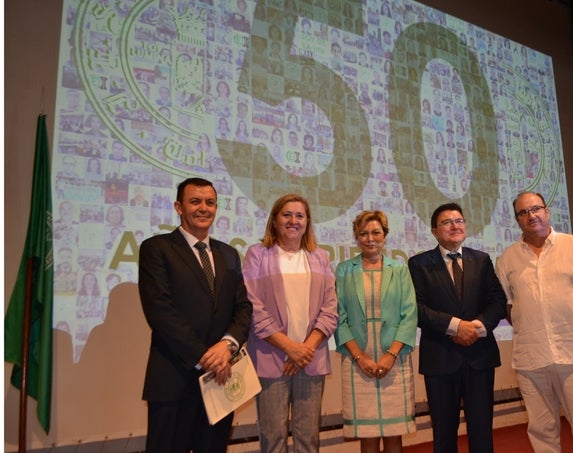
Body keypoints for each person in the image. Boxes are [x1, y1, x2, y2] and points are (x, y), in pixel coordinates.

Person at [138, 177, 252, 453]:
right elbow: (161, 312)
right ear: (179, 206)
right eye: (195, 201)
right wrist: (206, 358)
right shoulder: (157, 249)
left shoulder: (229, 254)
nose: (204, 208)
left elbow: (243, 308)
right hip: (174, 380)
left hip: (222, 380)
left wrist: (226, 347)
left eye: (210, 202)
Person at [495, 191, 573, 453]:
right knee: (542, 433)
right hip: (531, 359)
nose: (531, 216)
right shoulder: (507, 259)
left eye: (535, 209)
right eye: (523, 212)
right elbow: (506, 305)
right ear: (516, 220)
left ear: (547, 211)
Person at [241, 193, 338, 453]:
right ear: (274, 220)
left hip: (311, 358)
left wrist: (304, 349)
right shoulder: (257, 254)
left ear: (307, 222)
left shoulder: (320, 257)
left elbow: (330, 308)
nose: (293, 220)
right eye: (287, 214)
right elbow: (253, 307)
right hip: (272, 358)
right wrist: (289, 347)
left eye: (300, 215)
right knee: (273, 439)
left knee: (309, 439)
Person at [408, 202, 506, 453]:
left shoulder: (482, 260)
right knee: (444, 432)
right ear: (434, 231)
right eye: (447, 222)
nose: (455, 226)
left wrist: (477, 327)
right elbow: (416, 308)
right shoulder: (418, 264)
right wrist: (455, 327)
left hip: (479, 356)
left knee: (482, 430)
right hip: (440, 358)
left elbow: (497, 300)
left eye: (459, 221)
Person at [334, 210, 418, 453]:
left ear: (385, 236)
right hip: (357, 360)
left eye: (375, 233)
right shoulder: (344, 270)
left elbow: (409, 315)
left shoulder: (400, 269)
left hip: (395, 359)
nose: (369, 238)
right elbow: (340, 318)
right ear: (356, 237)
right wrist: (361, 358)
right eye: (363, 233)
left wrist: (390, 355)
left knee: (394, 434)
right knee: (367, 434)